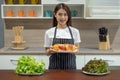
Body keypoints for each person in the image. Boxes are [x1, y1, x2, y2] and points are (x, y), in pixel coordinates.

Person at [44, 3, 81, 70]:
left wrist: (72, 50)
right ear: (55, 15)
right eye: (60, 14)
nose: (62, 17)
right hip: (54, 69)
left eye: (65, 14)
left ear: (68, 16)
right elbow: (47, 52)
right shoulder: (49, 32)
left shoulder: (75, 31)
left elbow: (77, 50)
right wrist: (51, 50)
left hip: (70, 69)